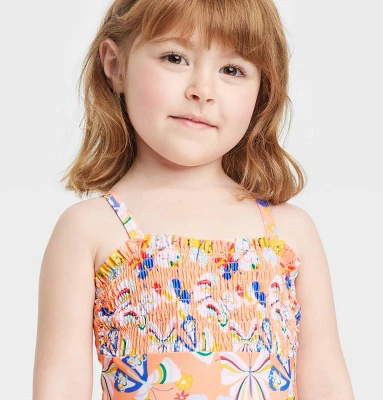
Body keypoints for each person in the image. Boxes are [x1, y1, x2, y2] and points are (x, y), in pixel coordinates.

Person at [33, 0, 355, 399]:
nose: (202, 91)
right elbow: (61, 385)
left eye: (232, 70)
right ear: (115, 66)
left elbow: (325, 379)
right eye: (175, 58)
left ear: (262, 91)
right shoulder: (90, 228)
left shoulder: (291, 232)